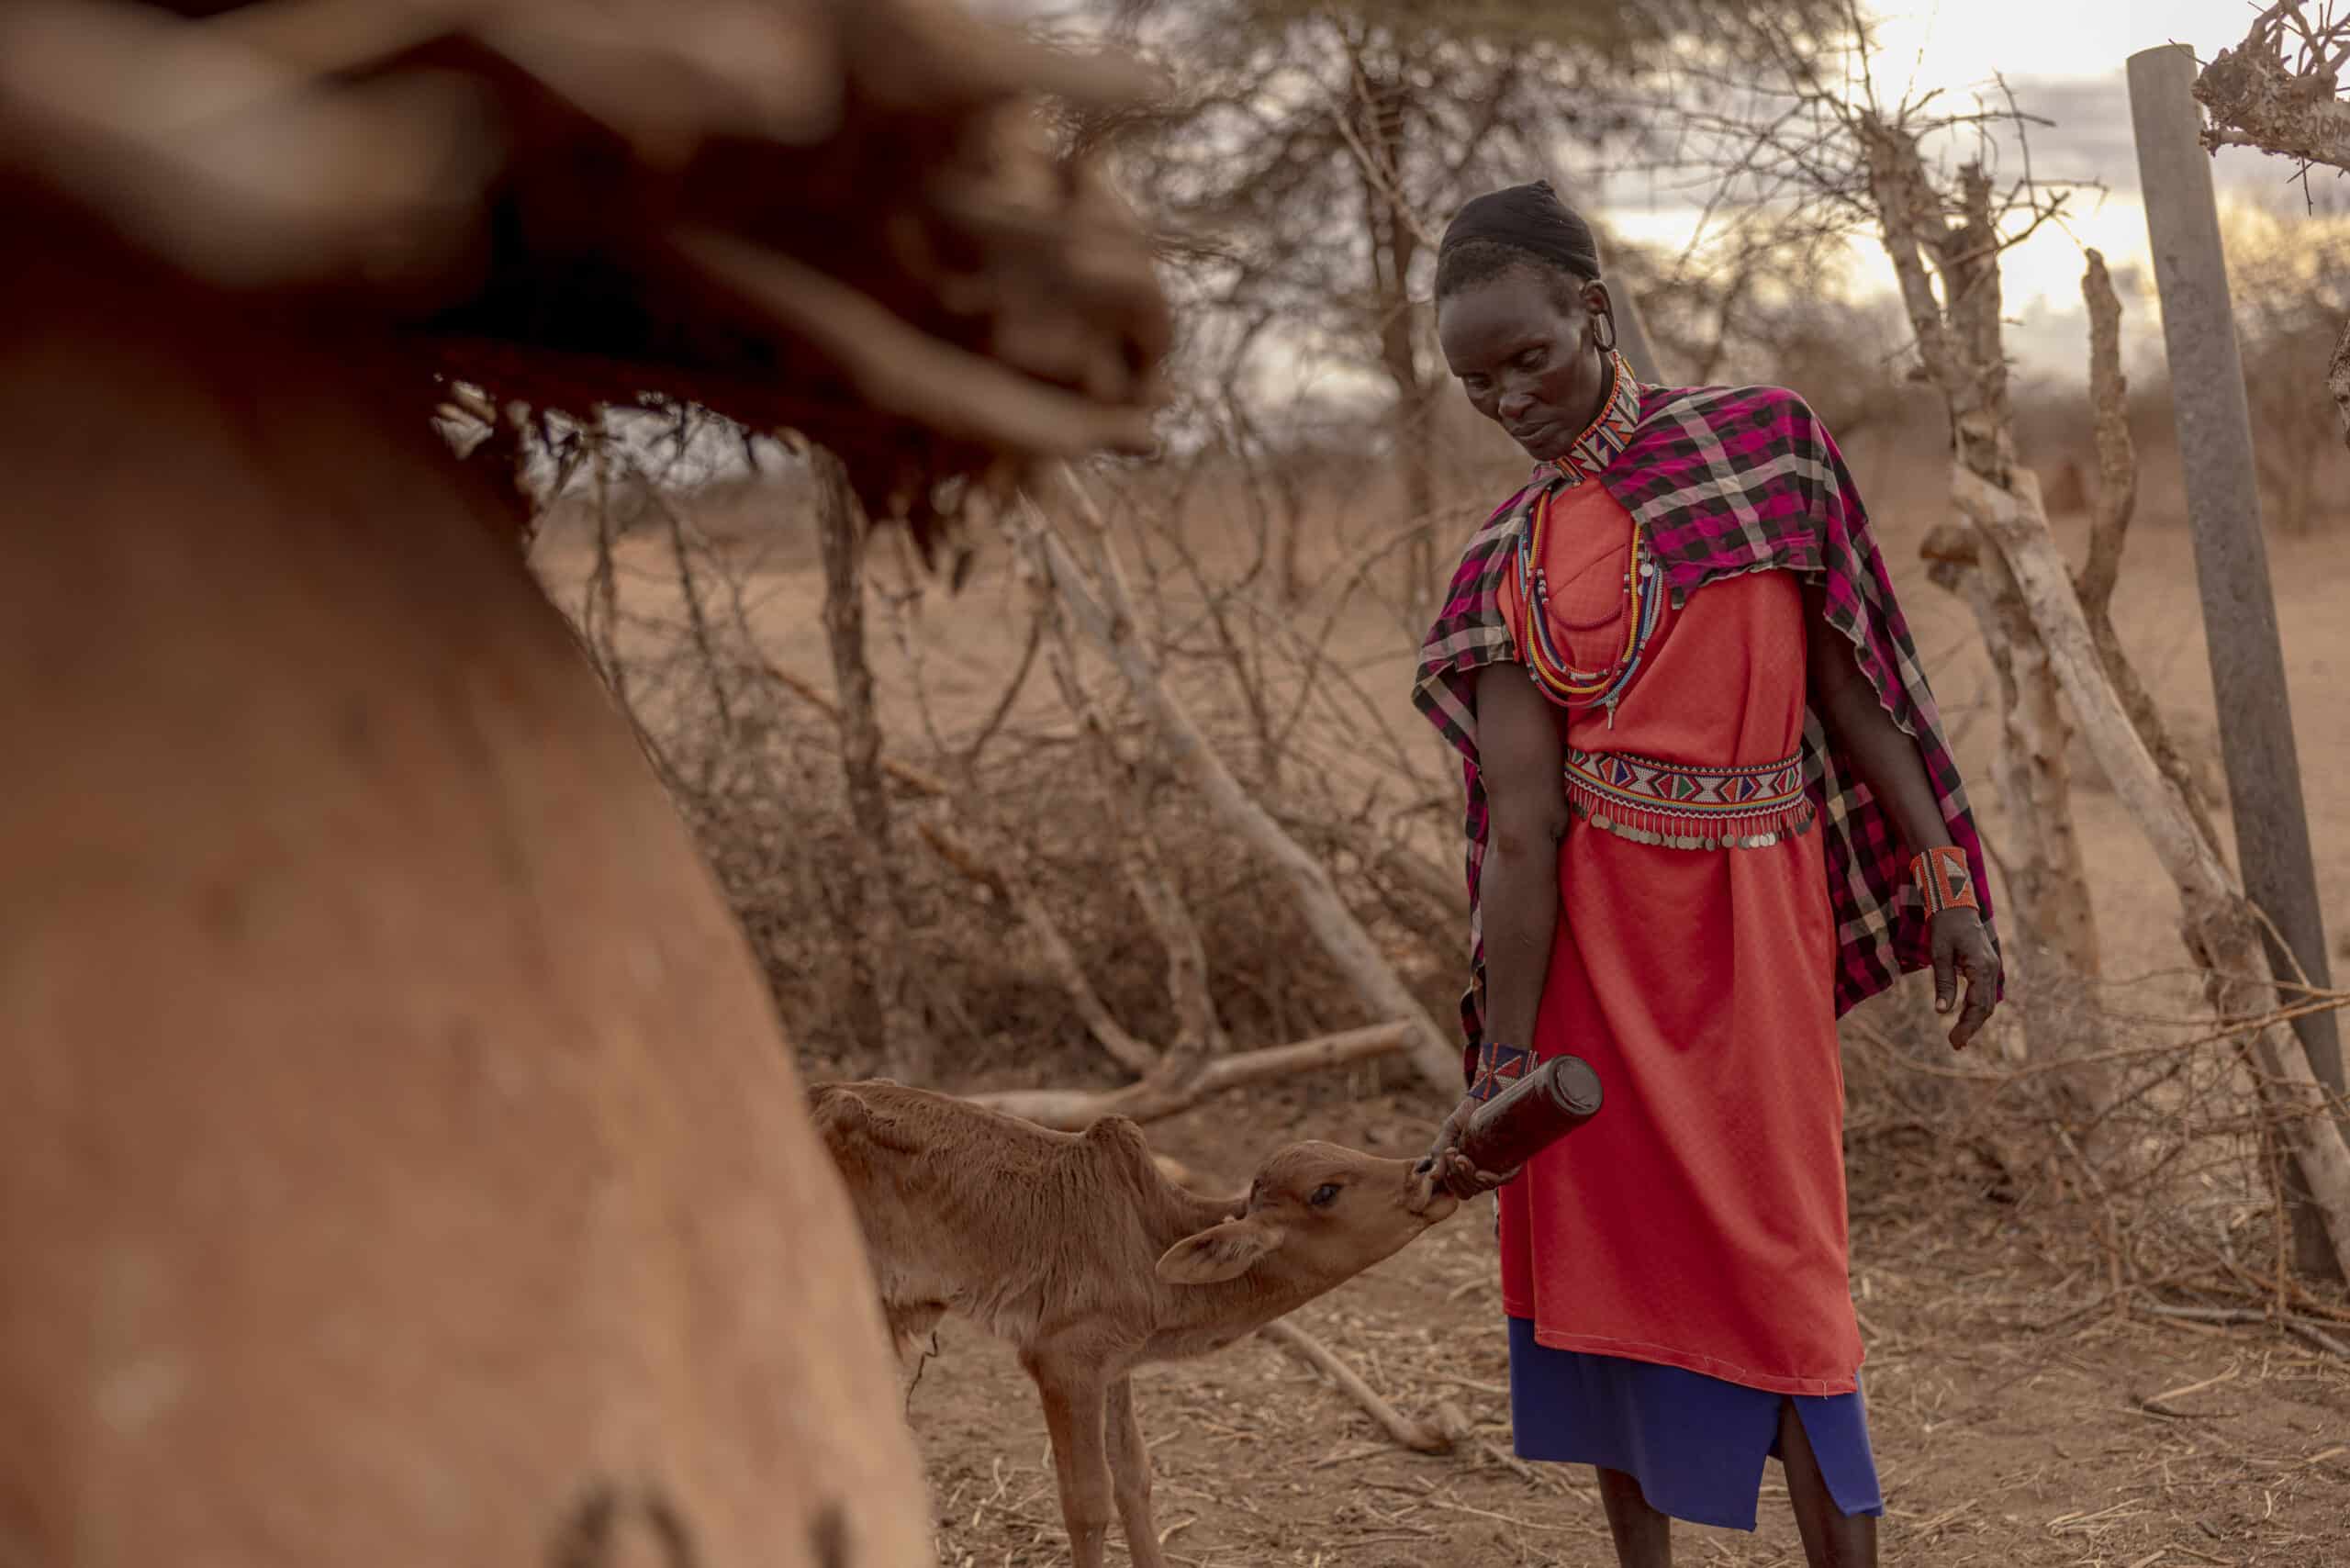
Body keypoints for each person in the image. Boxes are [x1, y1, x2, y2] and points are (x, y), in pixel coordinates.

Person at [1413, 180, 2004, 1568]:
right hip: (1594, 965)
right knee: (1603, 1276)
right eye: (1476, 381)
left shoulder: (1766, 447)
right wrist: (1507, 1061)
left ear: (1593, 312)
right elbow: (1520, 829)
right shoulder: (1501, 567)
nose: (1509, 398)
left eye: (1530, 358)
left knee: (1791, 1281)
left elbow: (1861, 696)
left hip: (1756, 926)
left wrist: (1952, 886)